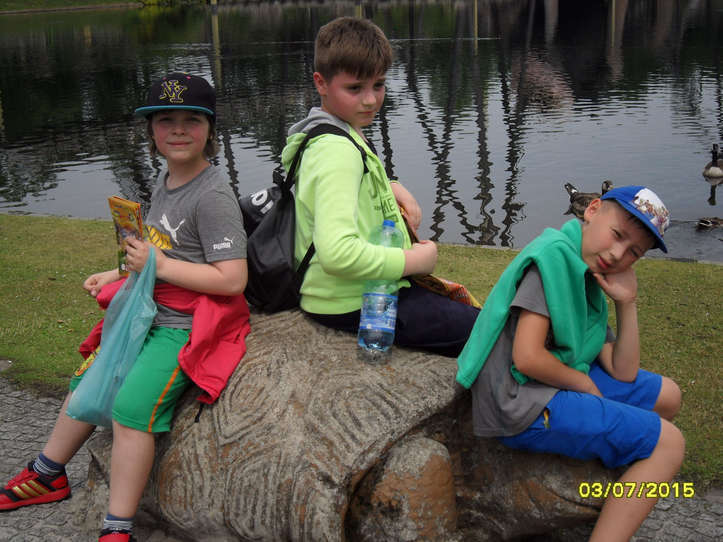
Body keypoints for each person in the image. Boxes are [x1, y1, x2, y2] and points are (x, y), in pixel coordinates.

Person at [0, 73, 250, 542]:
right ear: (151, 131)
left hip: (184, 324)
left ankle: (117, 527)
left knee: (131, 409)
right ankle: (48, 473)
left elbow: (233, 279)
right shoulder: (166, 179)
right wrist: (117, 273)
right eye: (166, 120)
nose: (179, 130)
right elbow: (159, 249)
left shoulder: (212, 195)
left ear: (210, 129)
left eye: (192, 120)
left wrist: (158, 264)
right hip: (146, 310)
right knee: (88, 381)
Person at [456, 186, 685, 541]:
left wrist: (627, 303)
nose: (618, 254)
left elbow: (622, 370)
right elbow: (527, 357)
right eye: (618, 235)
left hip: (552, 380)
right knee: (668, 444)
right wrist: (585, 385)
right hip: (519, 399)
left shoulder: (587, 270)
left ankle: (616, 481)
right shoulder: (553, 260)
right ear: (592, 210)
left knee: (668, 395)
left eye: (634, 253)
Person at [281, 16, 479, 357]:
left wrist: (391, 186)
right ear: (321, 83)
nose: (371, 100)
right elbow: (337, 254)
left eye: (379, 85)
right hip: (353, 301)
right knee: (496, 333)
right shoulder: (337, 151)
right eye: (355, 88)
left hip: (358, 289)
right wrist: (414, 261)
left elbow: (340, 186)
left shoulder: (339, 132)